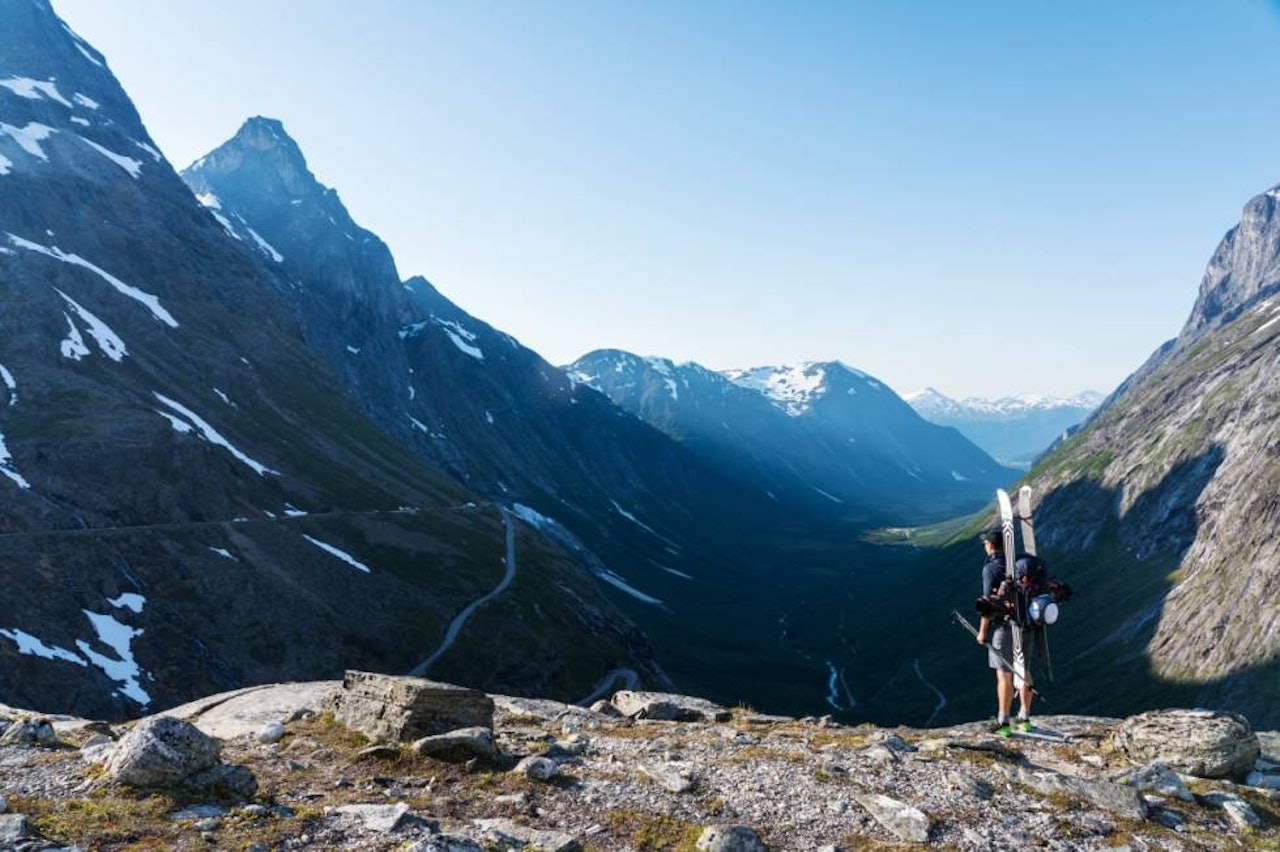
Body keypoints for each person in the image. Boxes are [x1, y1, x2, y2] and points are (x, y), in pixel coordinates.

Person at [975, 528, 1033, 736]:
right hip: (1026, 625)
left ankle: (1003, 722)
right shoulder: (1019, 566)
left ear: (991, 545)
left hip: (1004, 628)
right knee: (1023, 669)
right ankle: (1024, 717)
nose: (984, 546)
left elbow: (987, 605)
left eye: (985, 543)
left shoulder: (991, 568)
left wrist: (982, 632)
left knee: (1004, 675)